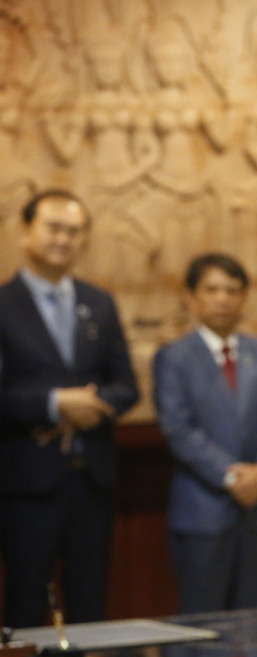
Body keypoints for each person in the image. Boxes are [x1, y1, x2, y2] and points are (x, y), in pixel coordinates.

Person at [0, 189, 139, 627]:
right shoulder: (4, 304)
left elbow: (127, 386)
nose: (64, 239)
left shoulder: (98, 302)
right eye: (54, 228)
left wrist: (91, 406)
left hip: (91, 481)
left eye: (74, 231)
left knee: (90, 606)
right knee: (25, 606)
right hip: (26, 483)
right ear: (24, 231)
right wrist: (55, 404)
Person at [154, 253, 257, 613]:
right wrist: (232, 477)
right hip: (202, 512)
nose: (222, 299)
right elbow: (178, 429)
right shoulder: (173, 357)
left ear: (244, 297)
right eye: (212, 290)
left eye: (232, 290)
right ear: (191, 297)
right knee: (204, 622)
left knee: (255, 618)